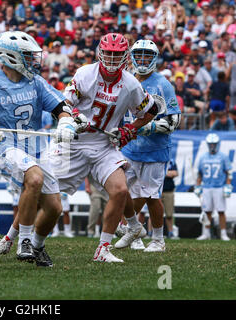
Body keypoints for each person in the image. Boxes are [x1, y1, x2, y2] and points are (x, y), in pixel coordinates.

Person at [0, 31, 77, 267]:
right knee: (34, 179)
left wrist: (65, 122)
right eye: (27, 55)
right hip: (6, 147)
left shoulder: (35, 81)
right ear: (10, 57)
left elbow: (59, 106)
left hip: (35, 149)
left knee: (54, 208)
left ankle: (36, 246)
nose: (34, 61)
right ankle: (23, 241)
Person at [53, 33, 157, 263]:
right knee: (41, 189)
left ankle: (103, 248)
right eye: (108, 53)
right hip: (76, 143)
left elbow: (151, 110)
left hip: (103, 145)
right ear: (100, 52)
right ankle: (14, 238)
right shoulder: (85, 73)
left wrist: (131, 128)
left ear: (124, 56)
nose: (111, 59)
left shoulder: (130, 83)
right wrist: (72, 117)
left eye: (117, 54)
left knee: (120, 190)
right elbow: (64, 102)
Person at [116, 40, 181, 252]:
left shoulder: (163, 83)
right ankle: (133, 231)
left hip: (155, 150)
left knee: (152, 196)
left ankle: (157, 240)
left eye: (147, 56)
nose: (142, 60)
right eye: (139, 55)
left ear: (154, 58)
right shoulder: (124, 80)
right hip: (129, 148)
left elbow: (174, 120)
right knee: (122, 191)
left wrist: (148, 127)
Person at [194, 133, 232, 241]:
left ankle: (223, 233)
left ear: (217, 144)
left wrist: (228, 185)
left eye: (214, 144)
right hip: (206, 187)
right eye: (210, 144)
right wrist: (198, 185)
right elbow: (200, 174)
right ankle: (206, 233)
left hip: (219, 187)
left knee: (221, 211)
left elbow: (228, 172)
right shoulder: (203, 157)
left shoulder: (223, 156)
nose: (212, 146)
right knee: (207, 211)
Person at [162, 159, 179, 240]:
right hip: (156, 190)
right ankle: (152, 233)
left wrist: (163, 173)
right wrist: (168, 173)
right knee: (154, 214)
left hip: (168, 190)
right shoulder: (156, 158)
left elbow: (175, 173)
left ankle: (170, 232)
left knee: (169, 214)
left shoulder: (171, 161)